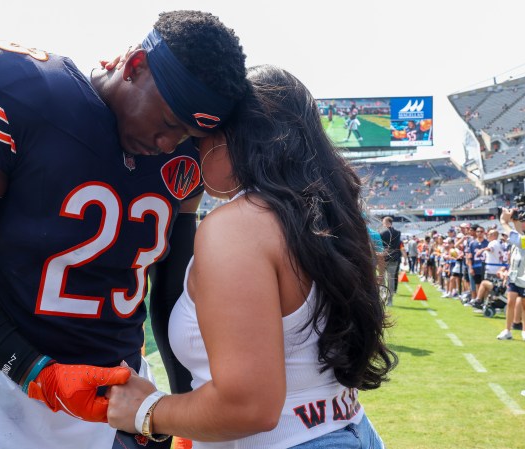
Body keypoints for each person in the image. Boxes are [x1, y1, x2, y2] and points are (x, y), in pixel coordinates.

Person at [0, 10, 247, 449]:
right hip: (18, 395)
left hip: (127, 395)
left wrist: (185, 401)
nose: (169, 144)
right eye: (168, 124)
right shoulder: (24, 89)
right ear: (134, 66)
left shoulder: (186, 157)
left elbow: (171, 288)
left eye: (186, 135)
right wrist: (37, 372)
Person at [106, 65, 397, 448]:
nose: (189, 148)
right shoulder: (326, 215)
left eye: (198, 136)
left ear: (232, 137)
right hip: (346, 426)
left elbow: (251, 407)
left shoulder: (238, 226)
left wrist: (146, 410)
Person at [497, 208, 525, 341]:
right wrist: (514, 219)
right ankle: (508, 329)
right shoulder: (517, 240)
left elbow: (518, 234)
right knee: (511, 301)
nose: (523, 223)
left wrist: (506, 221)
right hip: (513, 276)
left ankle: (524, 330)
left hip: (524, 276)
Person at [380, 216, 402, 306]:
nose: (382, 223)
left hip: (383, 258)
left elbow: (380, 245)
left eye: (383, 222)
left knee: (381, 277)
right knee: (391, 279)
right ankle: (390, 300)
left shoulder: (383, 233)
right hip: (394, 257)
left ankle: (383, 295)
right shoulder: (398, 232)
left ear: (387, 222)